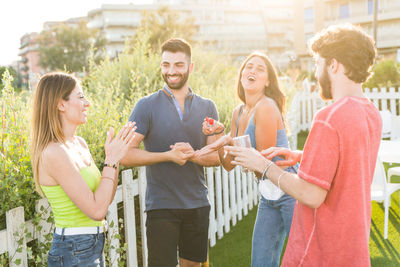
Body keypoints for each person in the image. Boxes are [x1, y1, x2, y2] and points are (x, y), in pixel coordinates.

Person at [225, 24, 381, 266]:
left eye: (318, 64)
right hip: (352, 251)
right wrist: (302, 155)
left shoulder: (329, 117)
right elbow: (349, 163)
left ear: (334, 65)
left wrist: (264, 165)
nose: (316, 73)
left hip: (319, 252)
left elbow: (311, 194)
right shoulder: (371, 113)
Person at [121, 38, 220, 267]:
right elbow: (125, 155)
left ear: (190, 67)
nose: (171, 71)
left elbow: (215, 157)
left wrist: (191, 155)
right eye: (166, 65)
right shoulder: (145, 106)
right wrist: (168, 156)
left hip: (197, 204)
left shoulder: (208, 107)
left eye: (178, 65)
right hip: (161, 206)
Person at [198, 52, 297, 267]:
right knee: (261, 262)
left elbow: (263, 164)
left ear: (268, 81)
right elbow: (227, 164)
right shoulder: (238, 112)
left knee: (303, 258)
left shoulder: (266, 107)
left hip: (290, 191)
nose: (252, 71)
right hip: (268, 194)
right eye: (248, 66)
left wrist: (231, 143)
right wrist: (219, 133)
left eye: (260, 69)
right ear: (241, 75)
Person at [31, 72, 137, 267]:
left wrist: (114, 159)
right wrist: (111, 161)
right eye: (80, 97)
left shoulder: (80, 143)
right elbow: (96, 211)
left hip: (92, 244)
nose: (87, 103)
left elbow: (104, 201)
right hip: (72, 250)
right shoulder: (54, 152)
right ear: (60, 104)